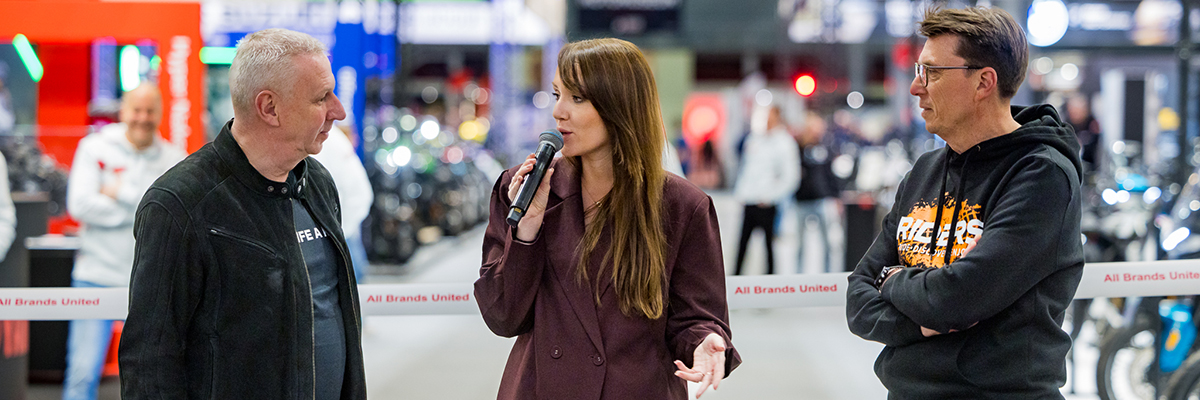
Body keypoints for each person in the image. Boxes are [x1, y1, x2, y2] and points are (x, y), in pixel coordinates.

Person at [475, 38, 740, 400]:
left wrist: (706, 341)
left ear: (621, 105)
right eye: (557, 95)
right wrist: (527, 230)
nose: (559, 112)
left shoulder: (681, 206)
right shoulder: (521, 189)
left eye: (578, 98)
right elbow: (502, 316)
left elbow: (697, 316)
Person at [845, 6, 1084, 398]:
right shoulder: (924, 170)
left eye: (933, 73)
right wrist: (922, 317)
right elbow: (858, 298)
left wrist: (892, 279)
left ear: (984, 82)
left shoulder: (1042, 175)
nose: (915, 86)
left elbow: (953, 300)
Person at [119, 28, 366, 399]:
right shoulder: (181, 204)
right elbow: (149, 362)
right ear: (269, 107)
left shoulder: (317, 184)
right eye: (321, 98)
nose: (339, 111)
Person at [62, 83, 185, 400]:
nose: (143, 118)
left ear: (159, 113)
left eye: (150, 110)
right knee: (82, 374)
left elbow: (175, 218)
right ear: (123, 111)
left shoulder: (174, 158)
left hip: (150, 284)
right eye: (136, 110)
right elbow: (79, 206)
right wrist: (144, 211)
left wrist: (121, 195)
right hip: (96, 277)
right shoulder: (94, 148)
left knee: (152, 379)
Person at [732, 105, 800, 275]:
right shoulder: (755, 139)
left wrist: (771, 197)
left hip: (767, 203)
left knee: (768, 247)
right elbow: (746, 169)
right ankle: (734, 283)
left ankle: (770, 286)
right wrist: (741, 193)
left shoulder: (784, 142)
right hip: (750, 200)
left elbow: (791, 177)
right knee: (742, 246)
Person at [311, 124, 373, 282]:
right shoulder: (332, 138)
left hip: (343, 223)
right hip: (348, 215)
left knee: (352, 281)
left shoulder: (324, 139)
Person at [793, 111, 842, 273]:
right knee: (799, 243)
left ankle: (828, 275)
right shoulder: (798, 148)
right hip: (802, 200)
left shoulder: (825, 147)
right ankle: (798, 275)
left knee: (828, 242)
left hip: (822, 199)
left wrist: (836, 197)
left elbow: (830, 174)